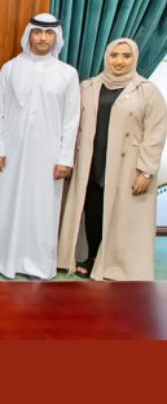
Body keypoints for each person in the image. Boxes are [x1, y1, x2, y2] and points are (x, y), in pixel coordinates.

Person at [58, 38, 167, 281]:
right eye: (114, 55)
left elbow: (156, 134)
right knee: (93, 209)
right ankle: (91, 257)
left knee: (121, 215)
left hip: (127, 165)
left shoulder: (147, 91)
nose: (119, 61)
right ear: (106, 57)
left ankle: (116, 264)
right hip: (92, 159)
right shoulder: (88, 87)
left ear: (135, 58)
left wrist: (146, 171)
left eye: (126, 56)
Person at [0, 13, 80, 280]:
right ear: (29, 35)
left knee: (42, 209)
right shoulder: (10, 68)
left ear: (56, 38)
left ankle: (38, 263)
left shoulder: (67, 74)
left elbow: (71, 120)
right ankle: (2, 257)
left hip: (48, 155)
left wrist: (65, 159)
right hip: (10, 152)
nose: (42, 38)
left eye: (49, 33)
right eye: (38, 32)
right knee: (6, 202)